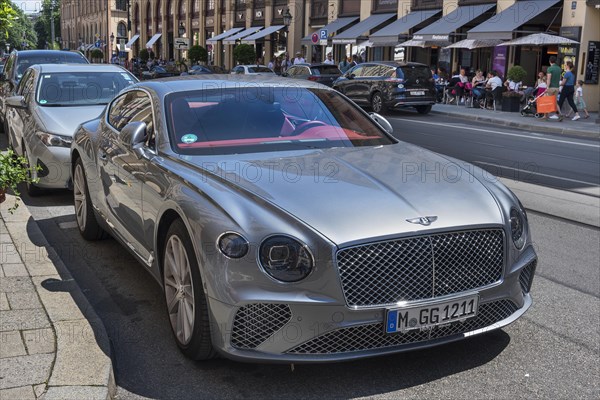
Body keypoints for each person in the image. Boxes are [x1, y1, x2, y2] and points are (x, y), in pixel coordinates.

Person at [544, 56, 562, 120]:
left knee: (546, 100)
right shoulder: (559, 68)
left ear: (550, 61)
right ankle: (560, 114)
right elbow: (560, 78)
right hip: (557, 87)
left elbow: (549, 79)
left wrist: (547, 87)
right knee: (555, 102)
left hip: (551, 87)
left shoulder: (550, 68)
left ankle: (546, 116)